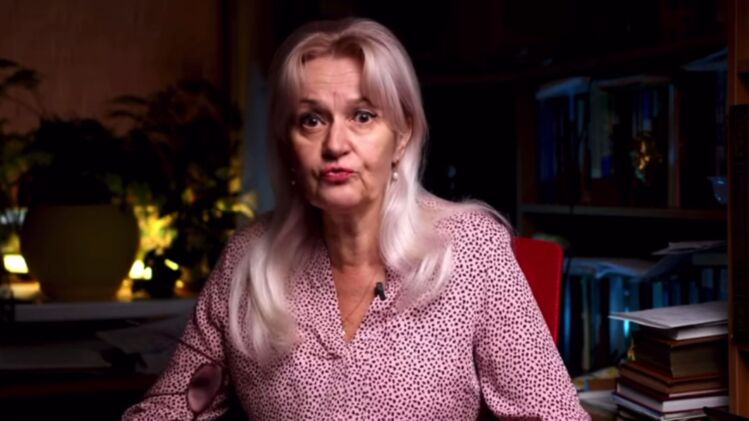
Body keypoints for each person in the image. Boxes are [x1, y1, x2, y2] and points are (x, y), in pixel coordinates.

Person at [124, 18, 589, 420]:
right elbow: (171, 407)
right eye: (311, 120)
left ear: (402, 136)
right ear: (287, 144)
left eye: (363, 116)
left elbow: (551, 413)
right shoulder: (248, 258)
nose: (334, 144)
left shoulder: (472, 249)